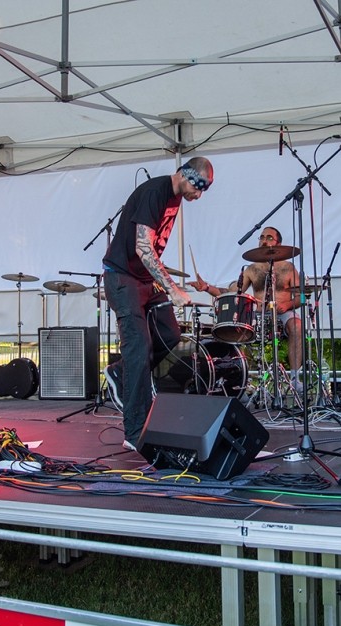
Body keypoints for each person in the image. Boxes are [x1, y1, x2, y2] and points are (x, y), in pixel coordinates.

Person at [102, 157, 213, 450]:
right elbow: (143, 247)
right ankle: (135, 433)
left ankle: (120, 371)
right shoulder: (155, 192)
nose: (199, 195)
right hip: (122, 278)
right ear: (185, 175)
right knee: (138, 349)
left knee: (170, 335)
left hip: (144, 280)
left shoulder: (175, 198)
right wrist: (172, 288)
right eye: (198, 187)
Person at [190, 226, 305, 391]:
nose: (264, 240)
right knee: (236, 327)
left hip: (284, 312)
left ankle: (295, 378)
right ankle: (239, 383)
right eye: (261, 237)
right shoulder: (252, 269)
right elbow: (232, 293)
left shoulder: (289, 268)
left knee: (297, 326)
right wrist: (206, 287)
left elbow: (301, 297)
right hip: (259, 313)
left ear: (278, 243)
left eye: (269, 237)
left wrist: (287, 305)